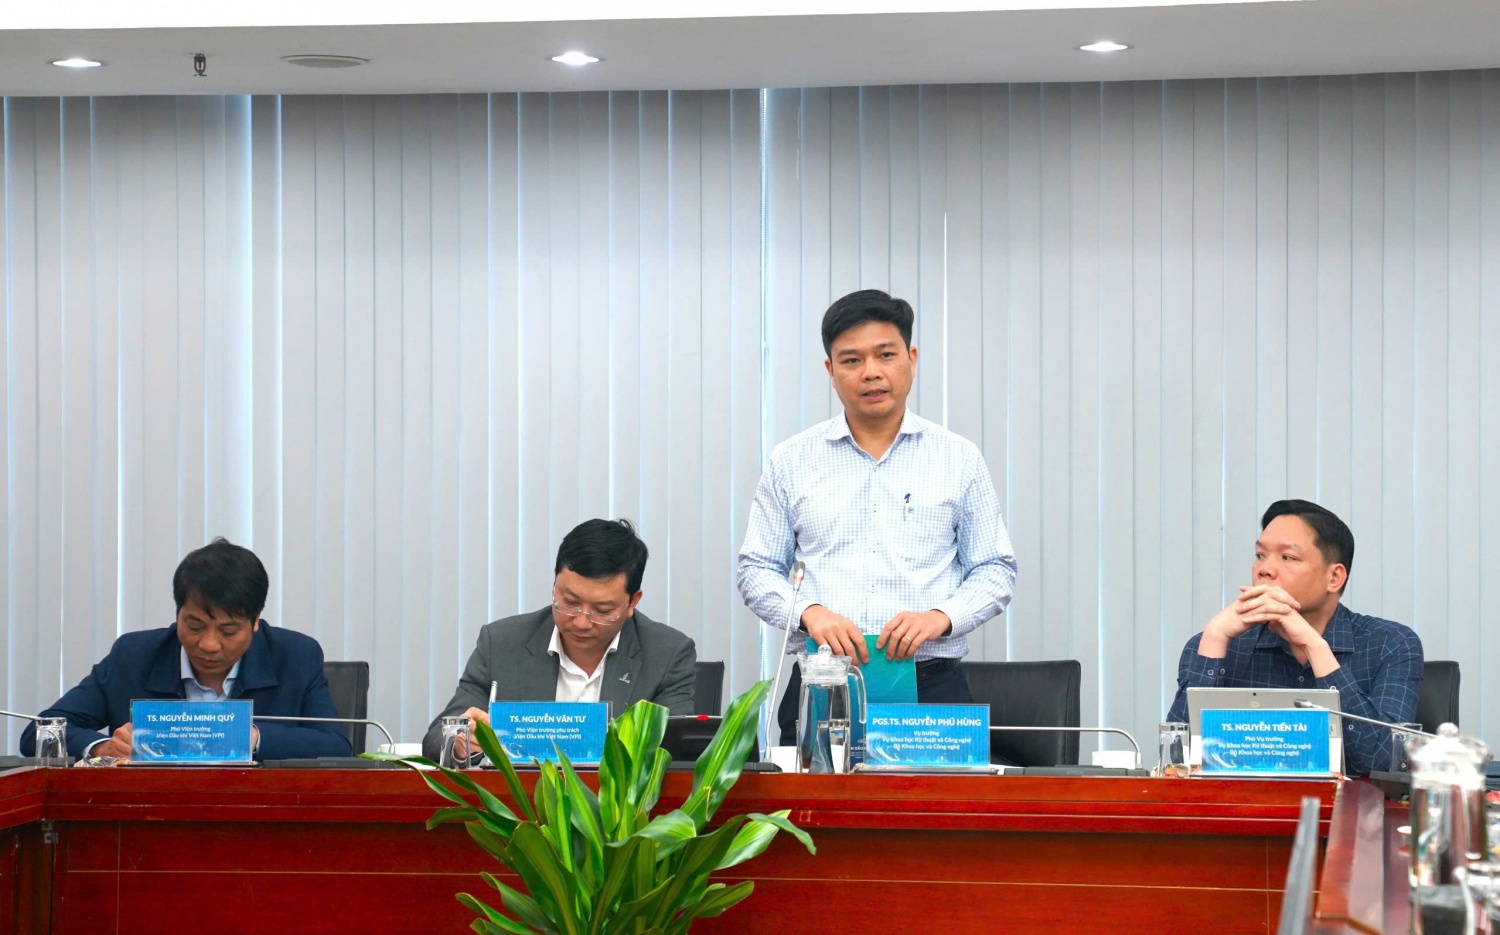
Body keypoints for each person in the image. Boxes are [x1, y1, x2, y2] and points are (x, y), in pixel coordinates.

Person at [737, 289, 1018, 745]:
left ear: (911, 359)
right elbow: (756, 569)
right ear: (831, 371)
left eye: (885, 355)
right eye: (851, 360)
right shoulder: (791, 460)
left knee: (933, 796)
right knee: (809, 793)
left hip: (930, 686)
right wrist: (808, 612)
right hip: (822, 681)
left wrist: (940, 616)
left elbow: (995, 569)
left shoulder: (958, 458)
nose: (871, 372)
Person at [20, 538, 351, 761]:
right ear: (178, 613)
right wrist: (102, 747)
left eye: (228, 631)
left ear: (255, 621)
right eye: (194, 626)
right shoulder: (134, 655)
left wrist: (249, 738)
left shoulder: (295, 656)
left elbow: (337, 747)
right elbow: (38, 732)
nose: (208, 644)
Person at [1166, 499, 1424, 777]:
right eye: (1260, 555)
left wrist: (1314, 647)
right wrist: (1215, 637)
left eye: (1287, 557)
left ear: (1334, 577)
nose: (1264, 569)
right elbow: (1176, 764)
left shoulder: (1390, 644)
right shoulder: (1217, 645)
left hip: (1345, 805)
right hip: (1243, 803)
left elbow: (1384, 764)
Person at [423, 518, 697, 761]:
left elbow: (673, 756)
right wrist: (459, 740)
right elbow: (436, 739)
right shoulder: (502, 643)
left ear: (632, 602)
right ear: (555, 581)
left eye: (602, 611)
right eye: (570, 602)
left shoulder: (667, 654)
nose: (581, 622)